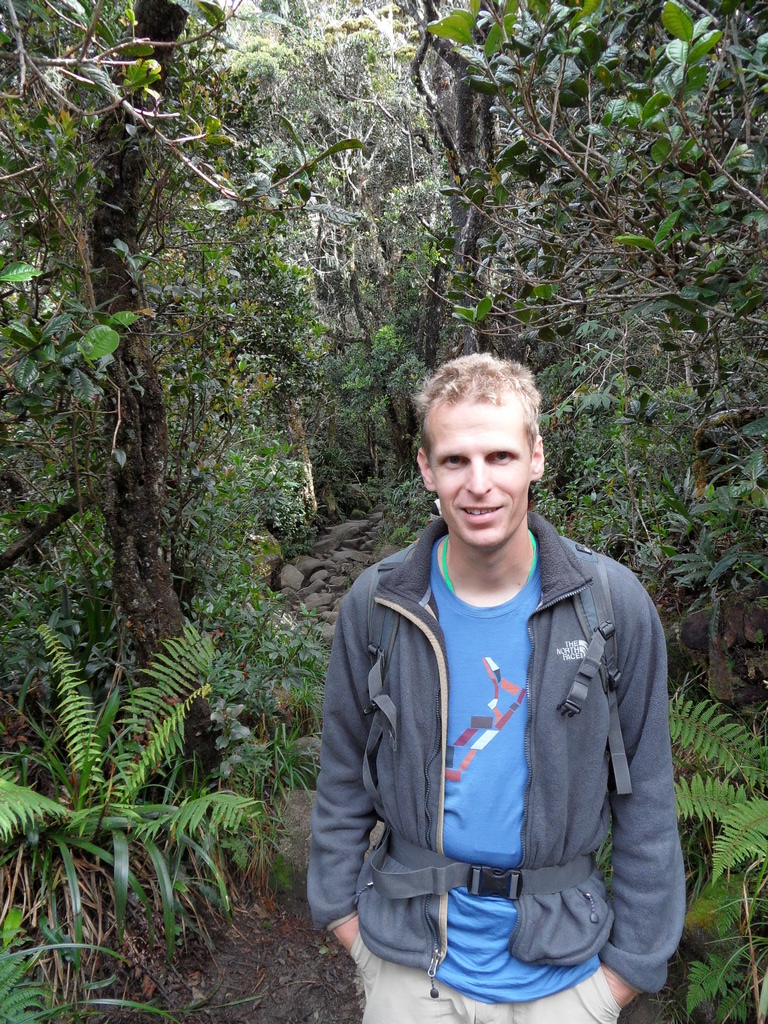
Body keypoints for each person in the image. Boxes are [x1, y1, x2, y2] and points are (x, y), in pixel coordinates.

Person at [308, 353, 685, 1023]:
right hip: (409, 967)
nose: (478, 485)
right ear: (426, 468)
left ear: (536, 458)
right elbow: (342, 773)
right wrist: (343, 918)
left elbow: (648, 796)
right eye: (455, 460)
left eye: (500, 457)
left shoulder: (609, 606)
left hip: (563, 976)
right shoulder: (380, 606)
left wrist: (625, 974)